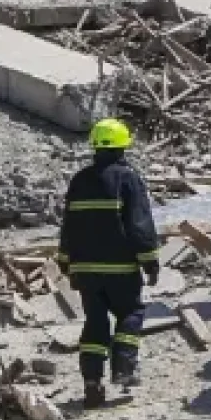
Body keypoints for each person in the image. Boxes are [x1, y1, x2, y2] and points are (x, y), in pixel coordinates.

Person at [56, 119, 161, 405]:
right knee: (131, 313)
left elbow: (69, 226)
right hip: (121, 269)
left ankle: (92, 381)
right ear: (123, 147)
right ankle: (124, 368)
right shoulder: (128, 179)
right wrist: (150, 261)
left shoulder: (79, 181)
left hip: (86, 270)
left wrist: (65, 260)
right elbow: (140, 224)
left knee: (95, 322)